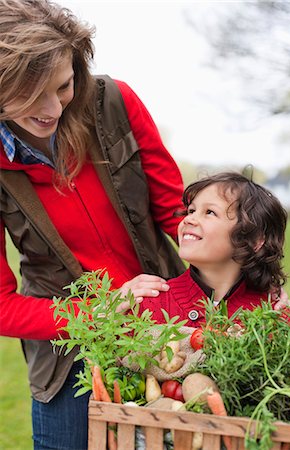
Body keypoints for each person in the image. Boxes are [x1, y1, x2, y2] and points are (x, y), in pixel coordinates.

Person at [0, 0, 186, 448]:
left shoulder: (115, 102)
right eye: (28, 95)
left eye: (61, 86)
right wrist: (99, 315)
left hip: (171, 323)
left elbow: (180, 217)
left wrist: (245, 262)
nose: (52, 109)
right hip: (68, 348)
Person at [138, 171, 289, 326]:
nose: (189, 219)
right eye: (191, 210)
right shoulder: (148, 306)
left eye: (209, 212)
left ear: (254, 240)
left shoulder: (275, 317)